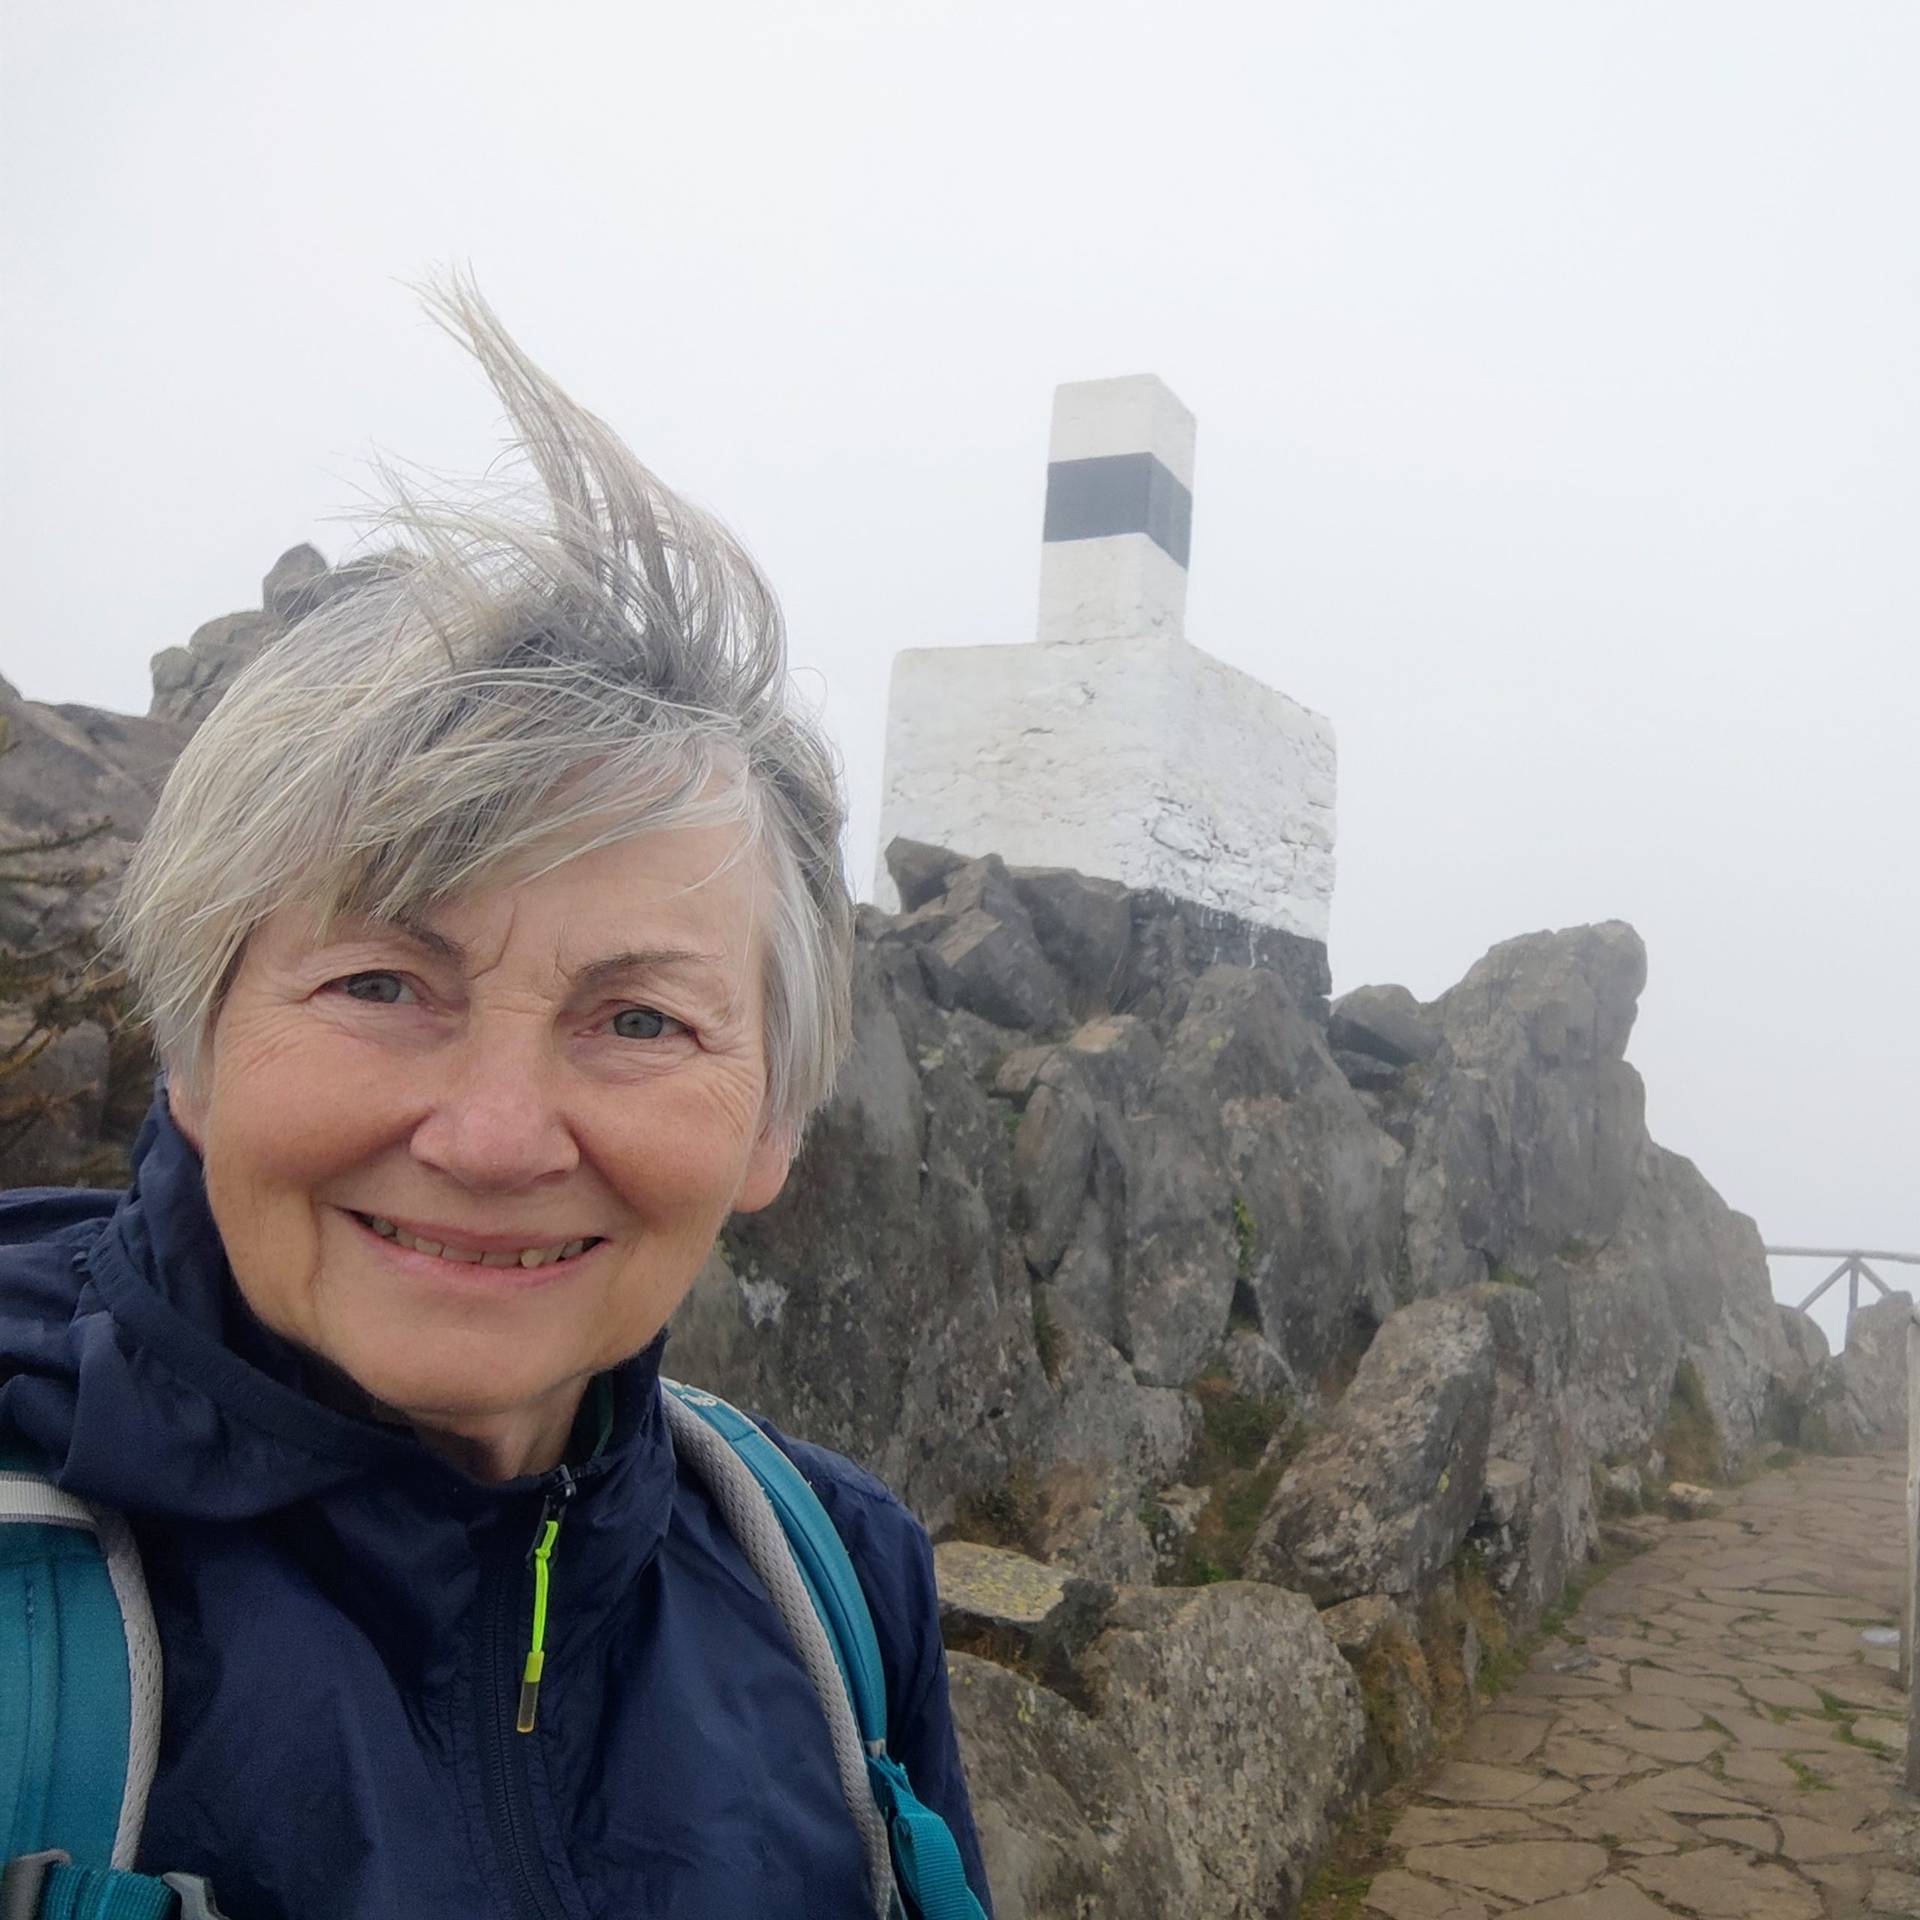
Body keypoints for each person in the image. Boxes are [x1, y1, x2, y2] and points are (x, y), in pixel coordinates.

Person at [0, 280, 993, 1918]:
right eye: (382, 986)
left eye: (641, 1019)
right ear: (193, 1046)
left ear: (771, 1130)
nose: (495, 1135)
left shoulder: (829, 1588)